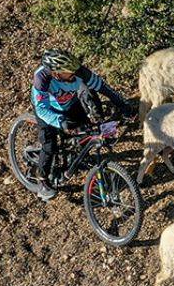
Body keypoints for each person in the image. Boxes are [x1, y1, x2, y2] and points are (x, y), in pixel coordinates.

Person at [31, 49, 134, 201]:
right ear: (56, 73)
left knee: (87, 130)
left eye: (74, 69)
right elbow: (41, 109)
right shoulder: (42, 78)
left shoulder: (80, 72)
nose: (74, 73)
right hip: (47, 110)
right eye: (69, 72)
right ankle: (42, 180)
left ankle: (76, 154)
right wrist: (60, 121)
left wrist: (124, 105)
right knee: (50, 146)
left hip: (69, 103)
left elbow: (104, 88)